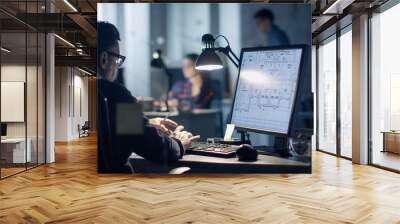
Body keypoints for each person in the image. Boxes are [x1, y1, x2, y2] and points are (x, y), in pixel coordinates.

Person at [97, 21, 199, 173]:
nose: (118, 66)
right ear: (104, 59)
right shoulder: (116, 94)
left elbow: (109, 128)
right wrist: (180, 142)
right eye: (117, 59)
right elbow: (157, 149)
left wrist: (147, 122)